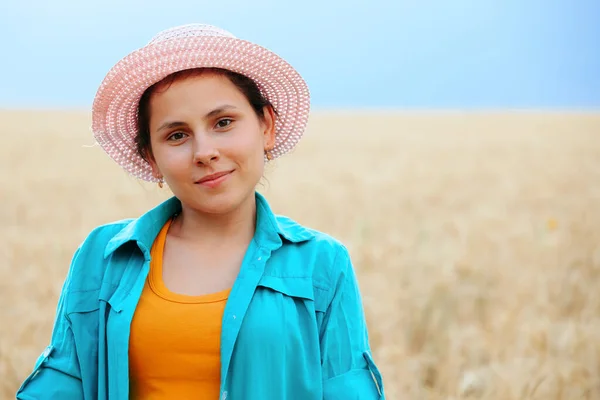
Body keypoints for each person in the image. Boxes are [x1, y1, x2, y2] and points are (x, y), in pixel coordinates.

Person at [16, 23, 385, 400]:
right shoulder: (103, 256)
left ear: (266, 126)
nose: (204, 151)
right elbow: (63, 383)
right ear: (151, 157)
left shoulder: (321, 265)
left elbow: (347, 388)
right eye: (176, 135)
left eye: (223, 123)